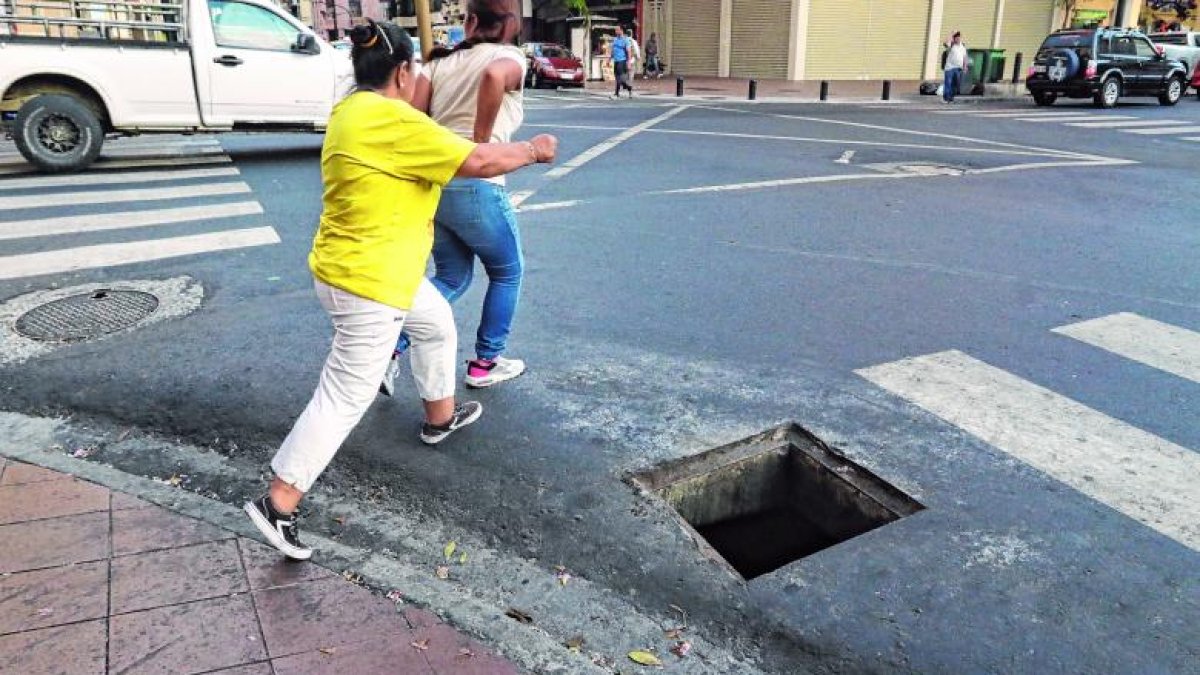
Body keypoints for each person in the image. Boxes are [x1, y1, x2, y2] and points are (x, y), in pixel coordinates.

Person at [245, 18, 557, 561]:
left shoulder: (353, 110)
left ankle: (440, 417)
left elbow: (436, 148)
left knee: (435, 324)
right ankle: (279, 502)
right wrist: (533, 149)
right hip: (371, 281)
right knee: (345, 396)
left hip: (360, 267)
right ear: (405, 71)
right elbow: (481, 160)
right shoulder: (391, 120)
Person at [380, 0, 532, 396]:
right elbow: (494, 77)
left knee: (452, 275)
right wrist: (480, 141)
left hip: (436, 184)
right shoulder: (508, 56)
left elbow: (413, 119)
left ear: (470, 22)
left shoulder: (436, 66)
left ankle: (388, 351)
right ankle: (486, 361)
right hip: (478, 182)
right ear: (509, 24)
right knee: (507, 272)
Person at [943, 31, 968, 103]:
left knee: (956, 84)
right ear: (954, 39)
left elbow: (965, 57)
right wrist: (951, 35)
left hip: (958, 68)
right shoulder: (951, 45)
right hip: (950, 68)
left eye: (959, 38)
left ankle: (951, 98)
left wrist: (965, 66)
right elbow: (945, 42)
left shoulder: (962, 47)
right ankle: (946, 98)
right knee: (948, 83)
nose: (958, 39)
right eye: (956, 38)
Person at [611, 25, 634, 98]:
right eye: (615, 30)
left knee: (621, 79)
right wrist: (609, 59)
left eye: (617, 30)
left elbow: (629, 51)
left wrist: (629, 62)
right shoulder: (615, 39)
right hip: (616, 61)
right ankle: (617, 93)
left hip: (622, 61)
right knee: (617, 78)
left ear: (621, 30)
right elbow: (613, 50)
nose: (616, 31)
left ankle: (627, 88)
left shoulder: (625, 40)